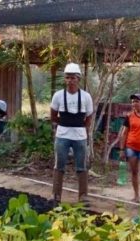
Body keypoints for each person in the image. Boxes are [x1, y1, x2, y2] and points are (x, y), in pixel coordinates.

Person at [50, 62, 94, 204]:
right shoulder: (58, 96)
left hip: (80, 136)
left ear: (78, 79)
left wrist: (81, 128)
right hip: (62, 135)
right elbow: (53, 115)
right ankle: (56, 195)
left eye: (73, 77)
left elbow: (89, 117)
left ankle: (83, 196)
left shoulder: (86, 97)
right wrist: (64, 124)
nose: (70, 80)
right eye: (67, 77)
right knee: (59, 165)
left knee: (82, 166)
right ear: (65, 79)